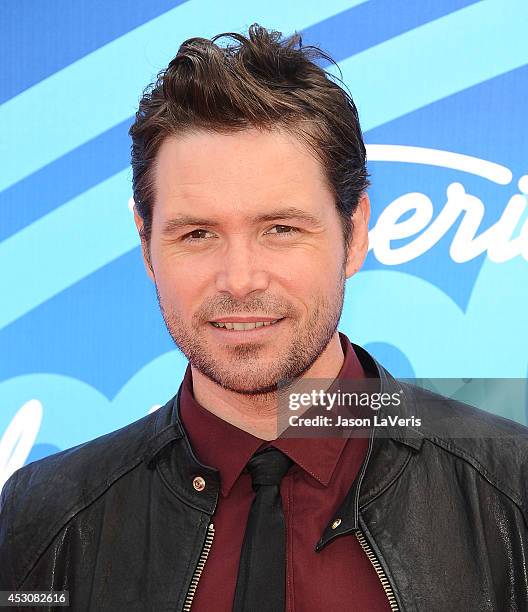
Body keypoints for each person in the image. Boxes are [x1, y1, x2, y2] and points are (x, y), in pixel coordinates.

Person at [1, 24, 527, 612]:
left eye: (280, 229)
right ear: (146, 246)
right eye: (197, 234)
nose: (240, 278)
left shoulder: (512, 488)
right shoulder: (44, 517)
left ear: (354, 234)